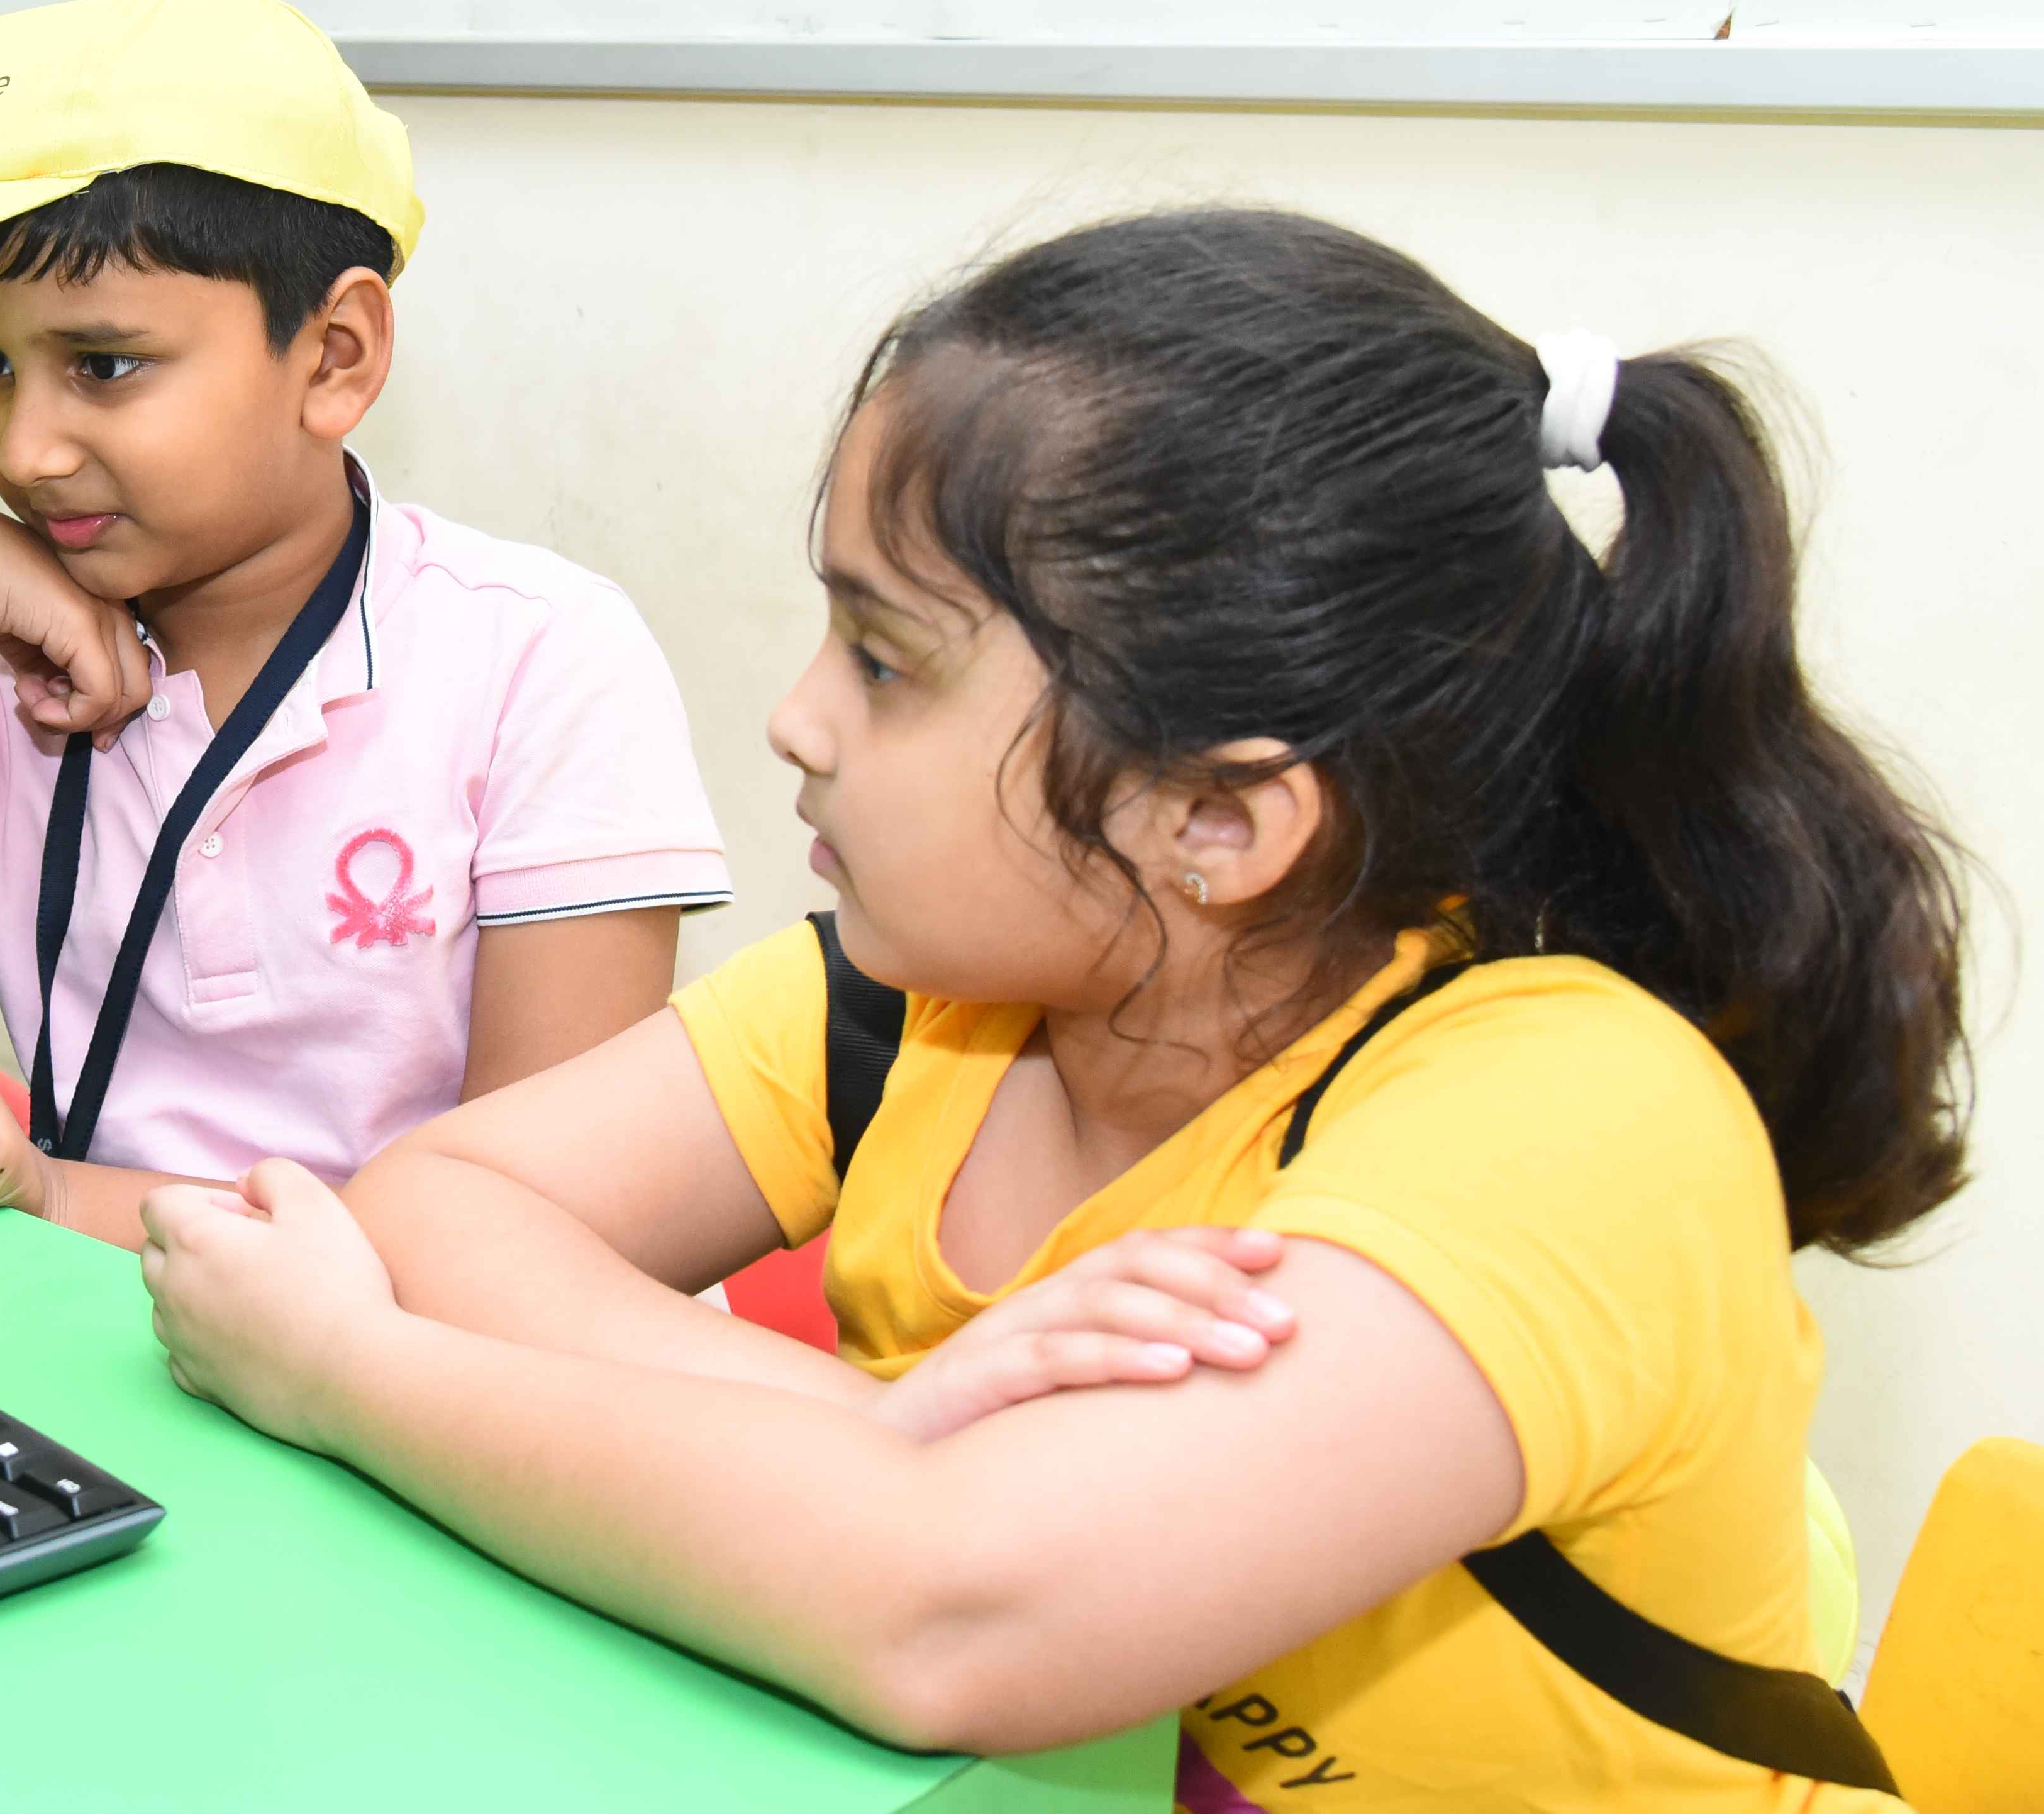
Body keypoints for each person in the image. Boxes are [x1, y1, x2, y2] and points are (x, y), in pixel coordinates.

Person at [137, 208, 1962, 1810]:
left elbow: (948, 1612)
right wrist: (867, 1435)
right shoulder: (912, 1008)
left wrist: (347, 1377)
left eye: (884, 660)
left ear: (1216, 819)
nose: (795, 715)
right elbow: (439, 1205)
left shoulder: (1568, 1118)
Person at [0, 0, 733, 1249]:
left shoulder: (542, 663)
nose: (24, 450)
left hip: (410, 1356)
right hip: (101, 1319)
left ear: (335, 355)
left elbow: (534, 1240)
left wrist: (55, 1195)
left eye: (103, 365)